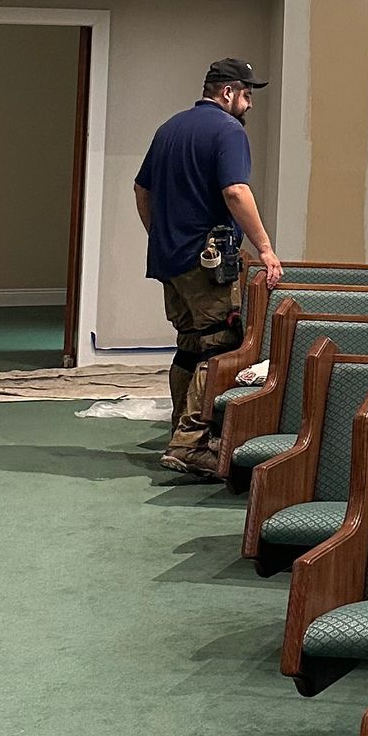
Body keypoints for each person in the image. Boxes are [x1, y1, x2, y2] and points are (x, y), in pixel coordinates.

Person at [134, 56, 283, 478]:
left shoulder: (170, 129)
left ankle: (178, 431)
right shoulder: (227, 131)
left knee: (190, 344)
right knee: (218, 345)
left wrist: (160, 234)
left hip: (170, 260)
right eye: (247, 95)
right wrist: (266, 248)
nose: (250, 105)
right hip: (207, 263)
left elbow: (141, 189)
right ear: (227, 92)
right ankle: (192, 443)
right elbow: (235, 191)